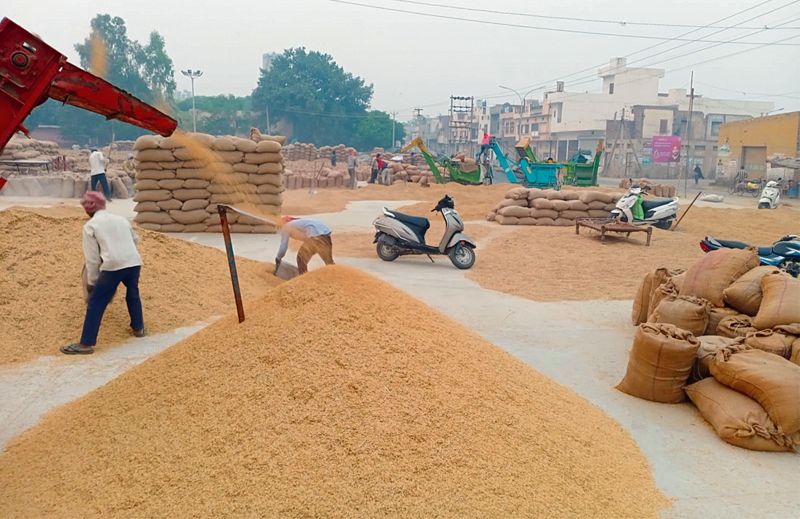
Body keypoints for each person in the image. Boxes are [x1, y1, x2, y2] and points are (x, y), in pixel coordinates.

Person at [60, 192, 144, 354]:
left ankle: (86, 344)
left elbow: (92, 260)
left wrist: (92, 282)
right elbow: (135, 239)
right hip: (134, 262)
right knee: (133, 292)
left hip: (113, 265)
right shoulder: (121, 219)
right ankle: (138, 329)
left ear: (87, 210)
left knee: (96, 302)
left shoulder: (90, 226)